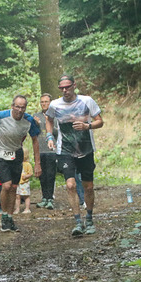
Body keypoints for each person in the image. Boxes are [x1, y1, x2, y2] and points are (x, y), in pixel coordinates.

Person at [46, 74, 103, 237]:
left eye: (67, 87)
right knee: (70, 185)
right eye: (61, 88)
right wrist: (49, 136)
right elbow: (49, 119)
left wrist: (87, 126)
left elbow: (100, 121)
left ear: (74, 86)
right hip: (65, 150)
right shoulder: (55, 104)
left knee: (88, 187)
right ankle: (78, 221)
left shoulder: (87, 101)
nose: (65, 90)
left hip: (86, 149)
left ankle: (89, 219)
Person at [0, 95, 41, 232]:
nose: (20, 110)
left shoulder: (29, 120)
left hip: (16, 151)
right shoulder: (1, 116)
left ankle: (10, 218)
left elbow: (35, 140)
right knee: (6, 185)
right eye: (17, 107)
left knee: (14, 187)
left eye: (23, 107)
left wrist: (37, 163)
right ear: (12, 106)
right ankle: (4, 216)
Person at [34, 93, 58, 210]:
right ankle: (44, 197)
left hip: (52, 150)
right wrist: (35, 124)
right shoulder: (36, 116)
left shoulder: (55, 116)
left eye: (46, 102)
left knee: (50, 174)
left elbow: (58, 132)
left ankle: (50, 198)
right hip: (40, 149)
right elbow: (32, 133)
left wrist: (50, 125)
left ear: (50, 103)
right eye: (42, 102)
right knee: (42, 175)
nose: (44, 104)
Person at [14, 148, 33, 214]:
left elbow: (30, 173)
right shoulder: (17, 164)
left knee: (26, 196)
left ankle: (27, 208)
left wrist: (26, 176)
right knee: (17, 196)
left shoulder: (27, 164)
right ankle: (17, 208)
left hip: (24, 183)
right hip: (18, 182)